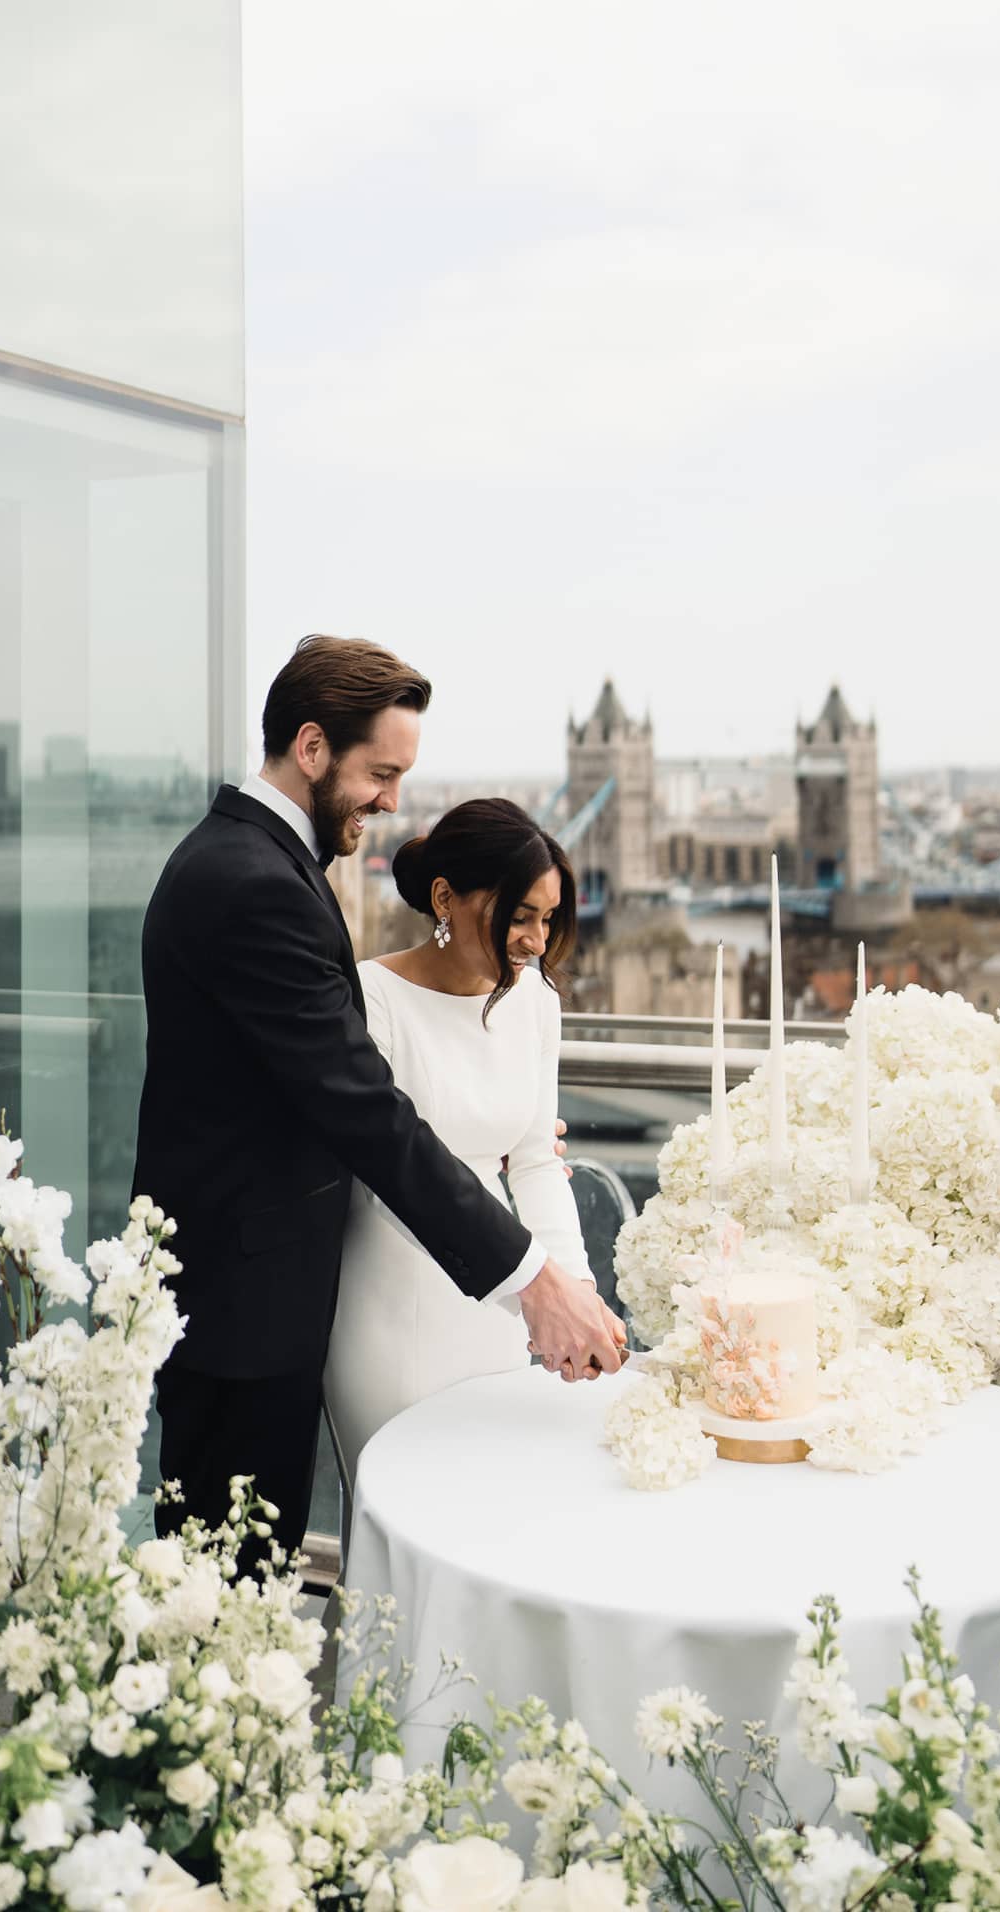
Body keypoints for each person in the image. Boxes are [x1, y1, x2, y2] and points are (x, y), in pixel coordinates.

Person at [133, 635, 625, 1563]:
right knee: (224, 1601)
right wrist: (533, 1281)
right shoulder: (253, 884)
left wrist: (506, 1129)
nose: (394, 801)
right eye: (382, 771)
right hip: (249, 1306)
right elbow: (365, 1111)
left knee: (241, 1596)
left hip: (264, 1294)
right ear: (312, 748)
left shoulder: (256, 863)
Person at [323, 799, 595, 1517]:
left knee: (500, 1523)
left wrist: (574, 1292)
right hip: (393, 1311)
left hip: (505, 1307)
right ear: (445, 897)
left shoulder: (534, 1000)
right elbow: (389, 1181)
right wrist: (534, 1293)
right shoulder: (370, 998)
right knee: (408, 1533)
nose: (537, 941)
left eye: (549, 918)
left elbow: (535, 1162)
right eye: (519, 916)